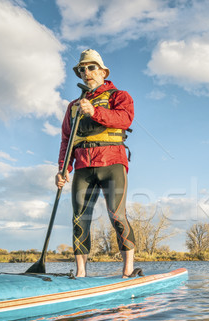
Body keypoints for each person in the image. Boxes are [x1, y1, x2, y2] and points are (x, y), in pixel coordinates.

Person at [55, 49, 140, 278]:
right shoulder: (73, 105)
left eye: (91, 68)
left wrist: (94, 111)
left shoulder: (119, 96)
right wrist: (63, 169)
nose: (86, 72)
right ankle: (81, 272)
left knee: (117, 215)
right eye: (82, 69)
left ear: (102, 71)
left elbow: (124, 118)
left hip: (112, 163)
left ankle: (128, 270)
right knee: (79, 218)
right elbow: (66, 139)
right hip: (83, 166)